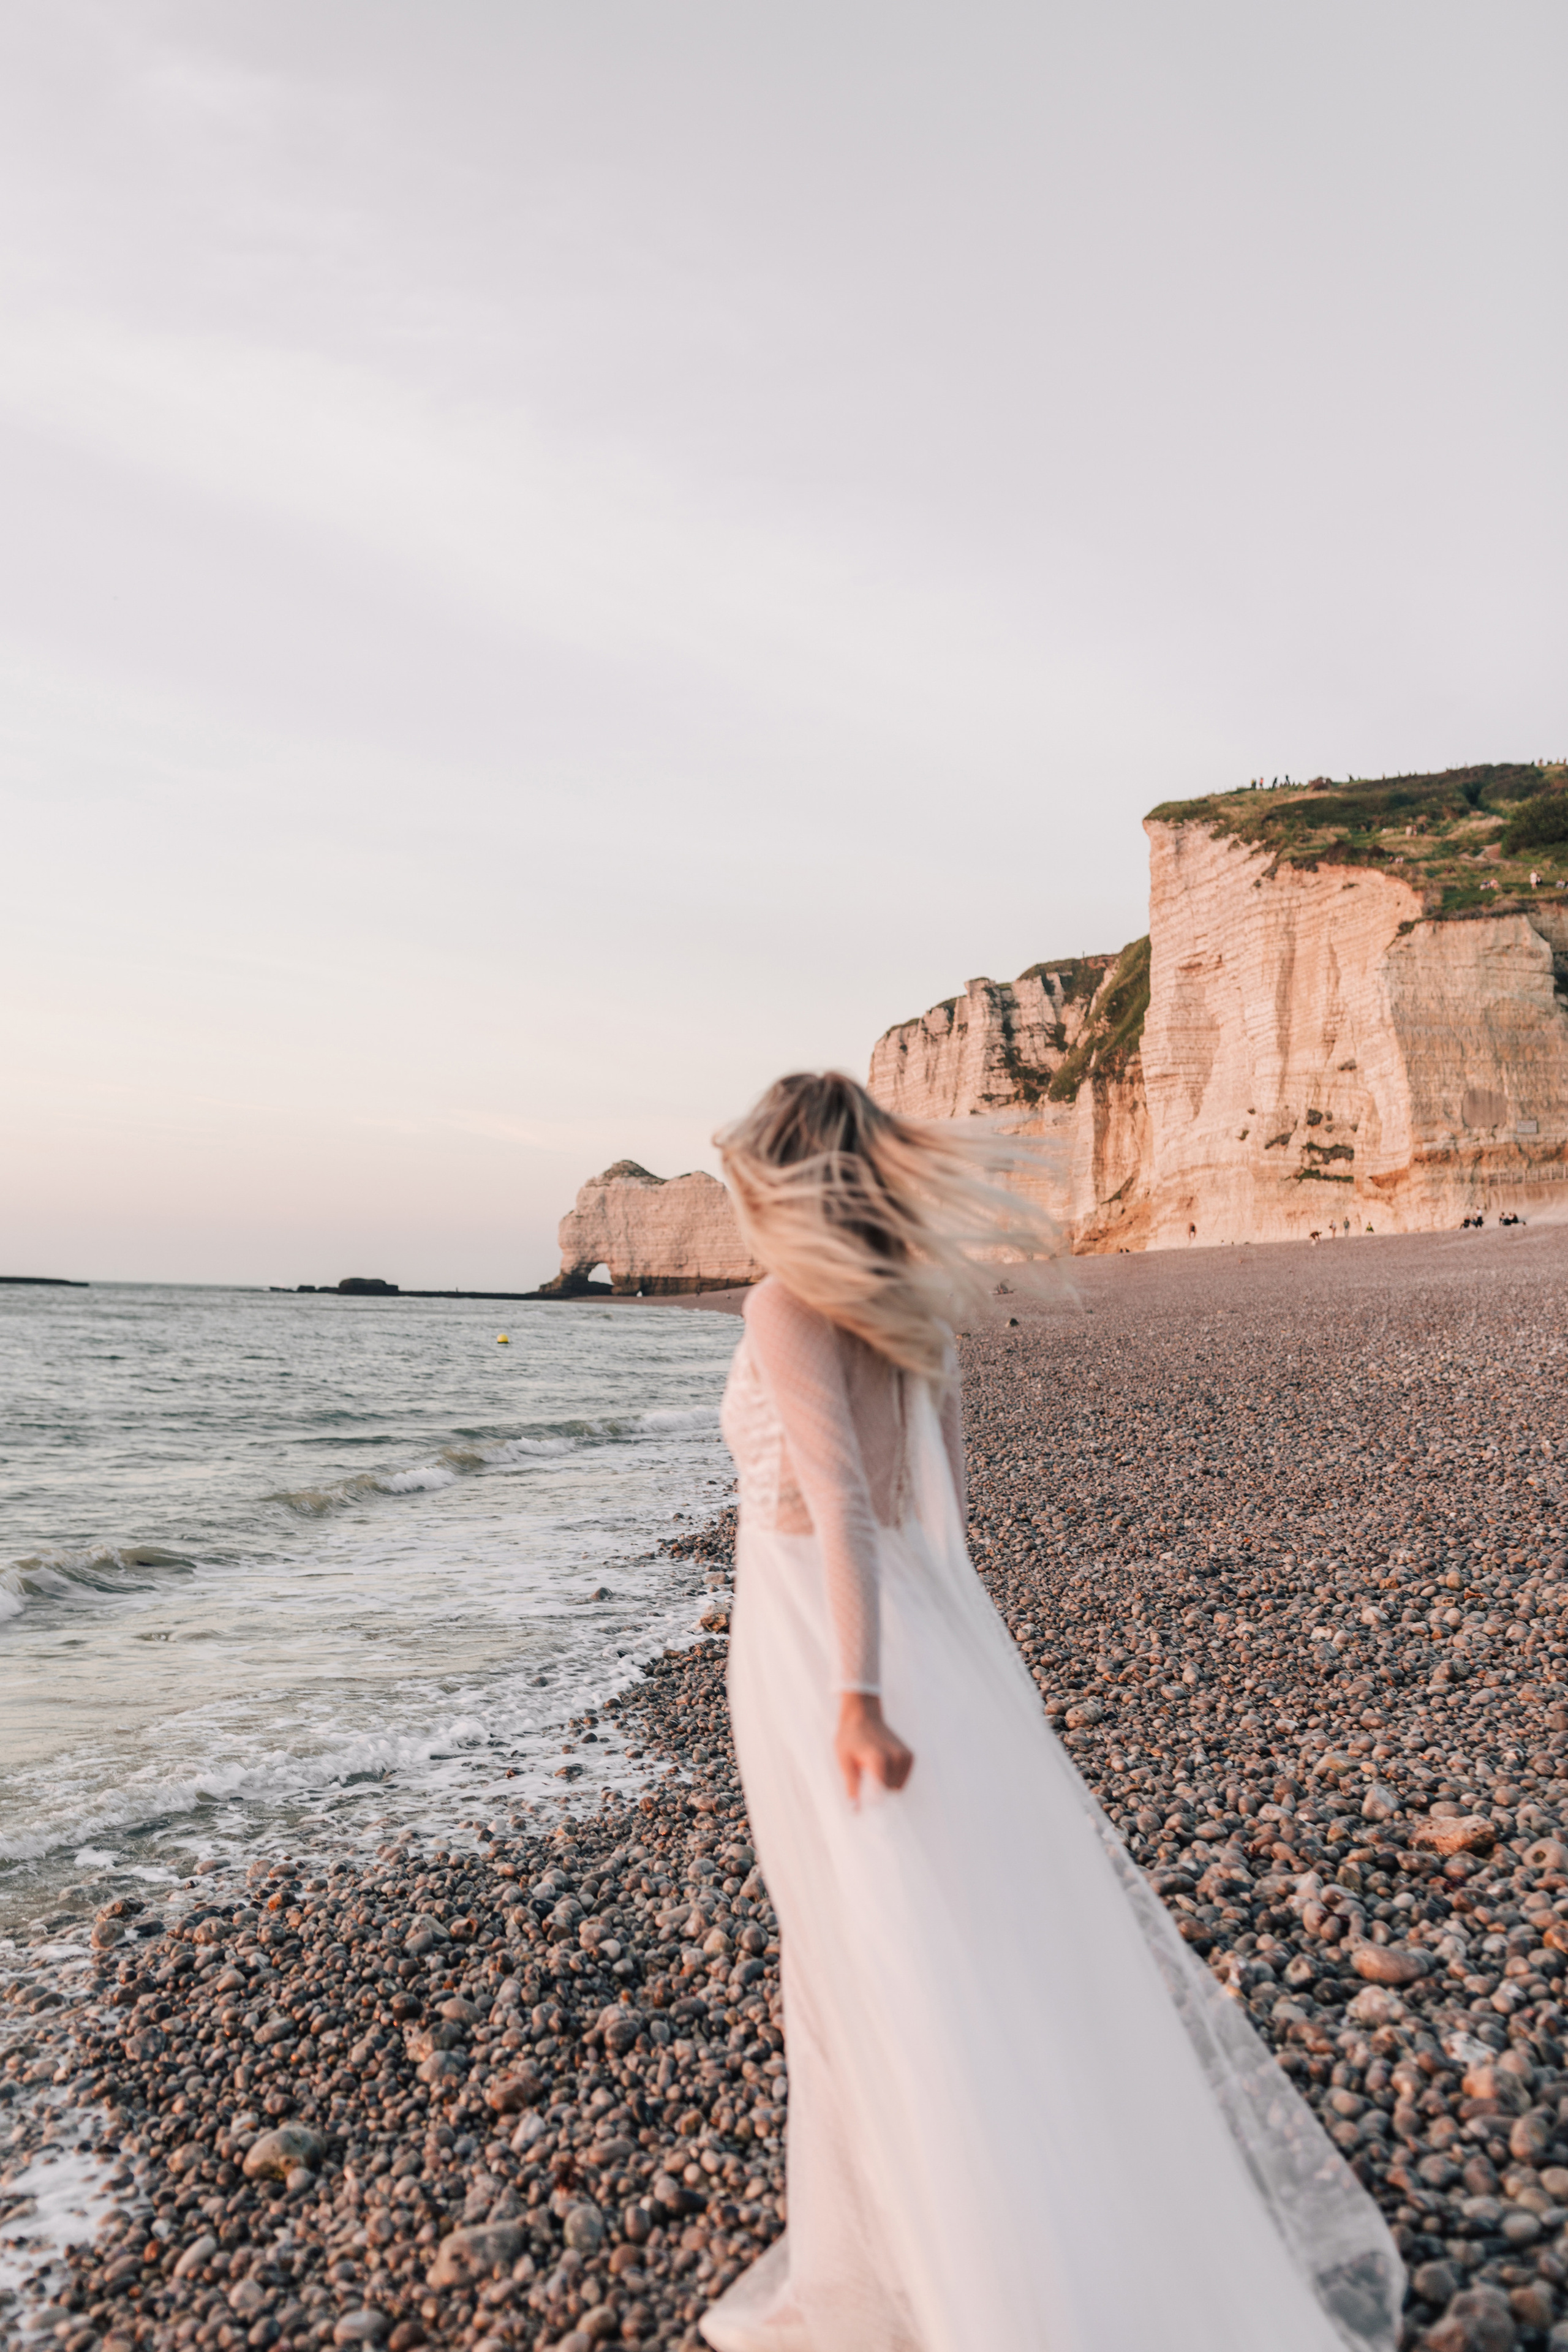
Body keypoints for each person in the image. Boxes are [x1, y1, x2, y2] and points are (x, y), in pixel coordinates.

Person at [701, 1071, 1401, 2352]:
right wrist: (954, 1666)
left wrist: (858, 1699)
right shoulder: (912, 1307)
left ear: (782, 1182)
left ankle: (941, 2283)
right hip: (916, 1630)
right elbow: (938, 1510)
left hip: (825, 1647)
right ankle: (885, 2258)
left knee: (873, 1957)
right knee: (926, 1950)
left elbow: (844, 1510)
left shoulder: (782, 1304)